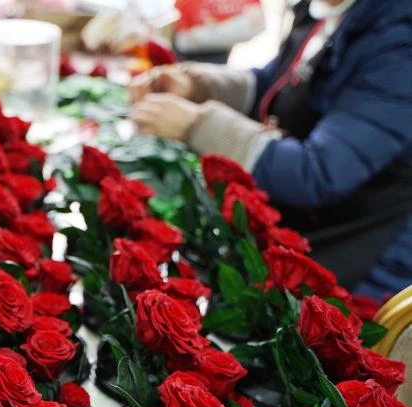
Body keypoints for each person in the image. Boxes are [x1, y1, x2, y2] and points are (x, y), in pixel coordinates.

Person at [127, 0, 412, 291]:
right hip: (301, 230)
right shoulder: (325, 9)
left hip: (362, 257)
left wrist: (196, 125)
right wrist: (198, 86)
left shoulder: (398, 43)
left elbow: (318, 171)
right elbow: (278, 83)